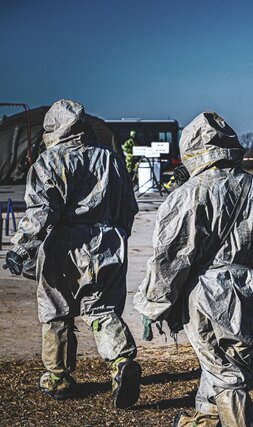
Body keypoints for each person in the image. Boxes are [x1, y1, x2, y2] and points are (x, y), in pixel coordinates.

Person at [134, 111, 253, 427]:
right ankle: (206, 419)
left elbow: (172, 256)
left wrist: (153, 303)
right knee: (232, 367)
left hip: (209, 293)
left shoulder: (190, 193)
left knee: (225, 375)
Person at [3, 99, 141, 408]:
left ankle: (58, 377)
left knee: (57, 311)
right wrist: (118, 234)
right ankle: (121, 362)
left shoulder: (48, 161)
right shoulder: (111, 159)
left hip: (62, 243)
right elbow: (128, 206)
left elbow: (41, 211)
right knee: (103, 309)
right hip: (107, 240)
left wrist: (21, 247)